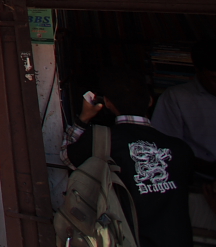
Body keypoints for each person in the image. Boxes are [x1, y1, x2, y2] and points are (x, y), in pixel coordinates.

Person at [63, 66, 194, 247]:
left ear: (107, 103)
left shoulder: (101, 141)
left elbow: (66, 157)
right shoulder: (180, 149)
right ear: (150, 101)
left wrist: (83, 119)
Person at [152, 40, 216, 227]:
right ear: (198, 73)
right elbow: (166, 151)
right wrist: (212, 168)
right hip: (203, 187)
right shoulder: (177, 98)